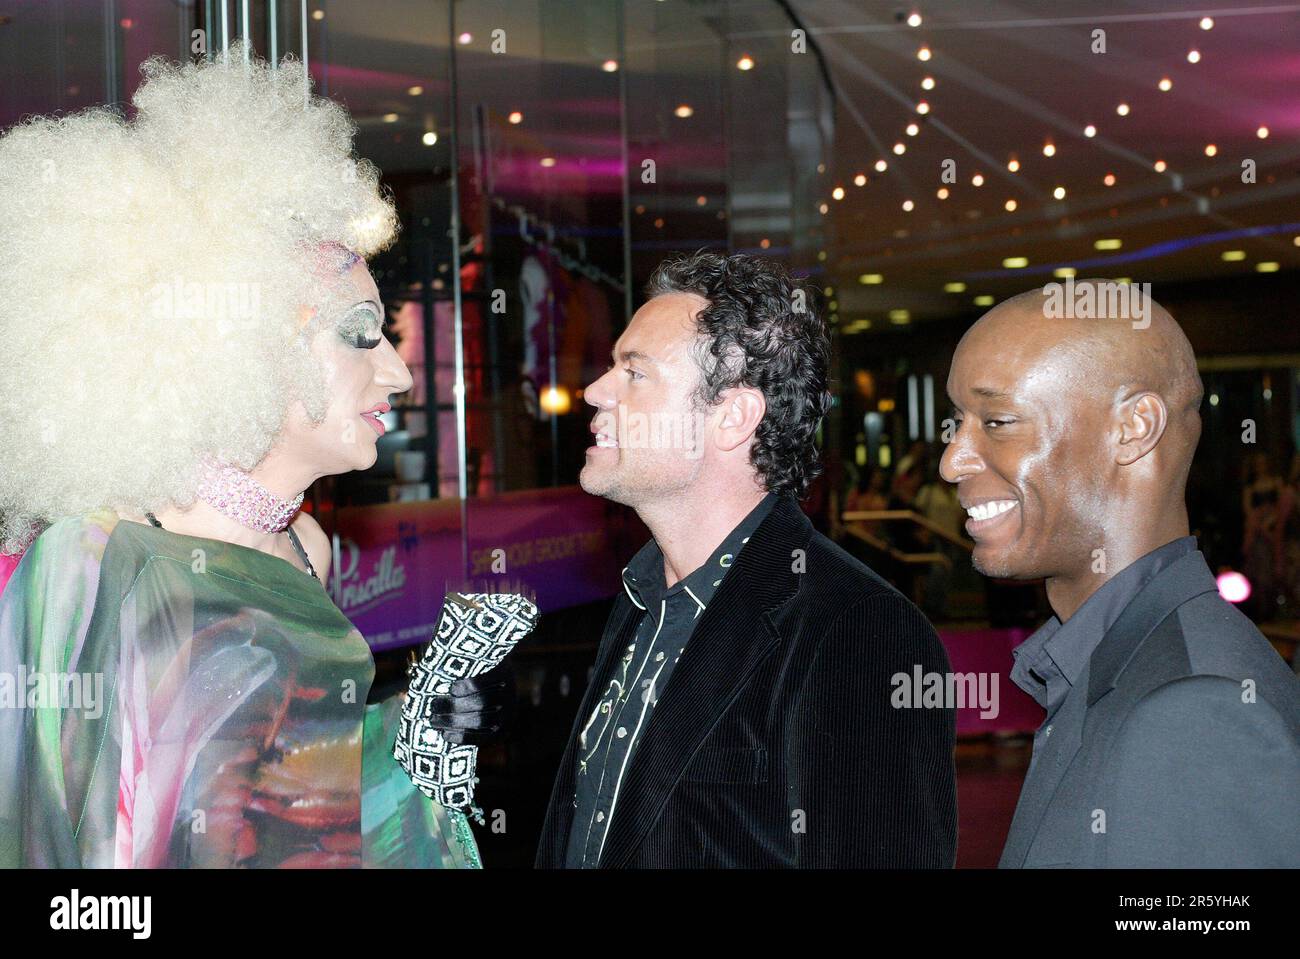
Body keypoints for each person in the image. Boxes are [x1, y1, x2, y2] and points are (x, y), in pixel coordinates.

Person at [0, 47, 497, 868]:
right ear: (244, 349)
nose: (399, 372)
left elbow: (305, 804)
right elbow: (55, 833)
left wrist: (425, 730)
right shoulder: (101, 558)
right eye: (359, 335)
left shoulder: (308, 548)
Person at [536, 252, 956, 868]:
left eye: (635, 372)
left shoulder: (857, 631)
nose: (595, 390)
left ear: (732, 416)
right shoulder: (642, 597)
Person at [941, 281, 1300, 867]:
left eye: (999, 421)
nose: (951, 459)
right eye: (960, 420)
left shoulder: (1195, 711)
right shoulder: (1107, 665)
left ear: (1134, 429)